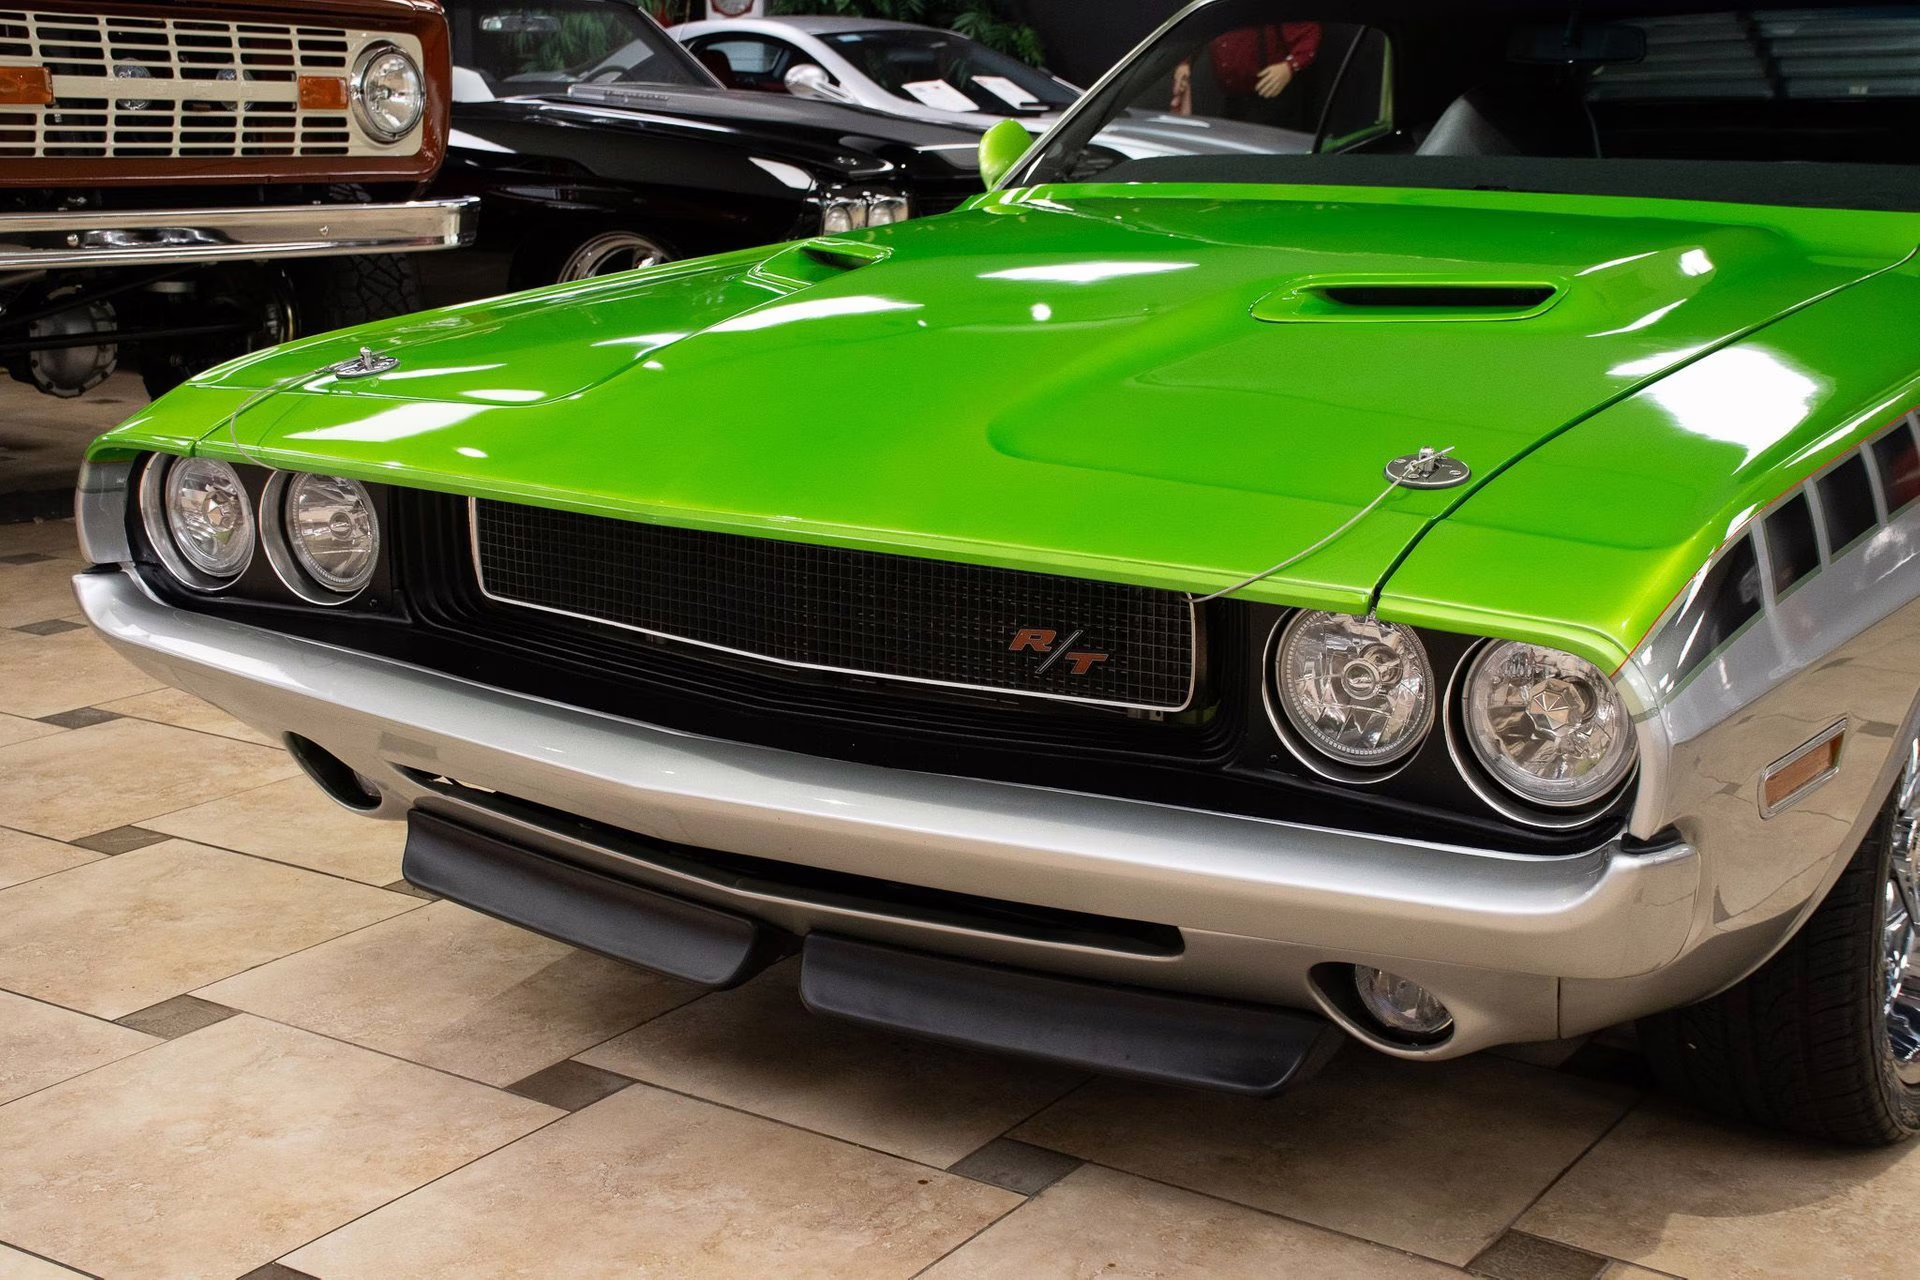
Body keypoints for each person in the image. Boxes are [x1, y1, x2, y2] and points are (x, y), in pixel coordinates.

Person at [1171, 22, 1322, 116]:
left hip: (1268, 96)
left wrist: (1289, 66)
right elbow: (1200, 28)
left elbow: (1309, 32)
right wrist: (1184, 63)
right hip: (1232, 98)